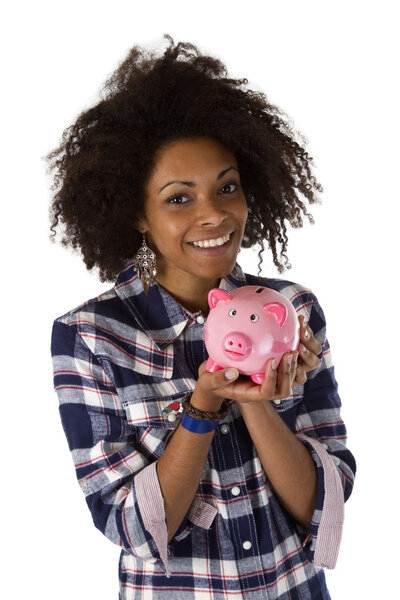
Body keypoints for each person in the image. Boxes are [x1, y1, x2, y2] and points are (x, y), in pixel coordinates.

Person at [48, 35, 356, 599]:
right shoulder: (90, 337)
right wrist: (204, 403)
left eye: (227, 187)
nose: (214, 214)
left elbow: (324, 505)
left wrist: (257, 400)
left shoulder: (294, 310)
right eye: (178, 198)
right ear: (137, 215)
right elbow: (132, 526)